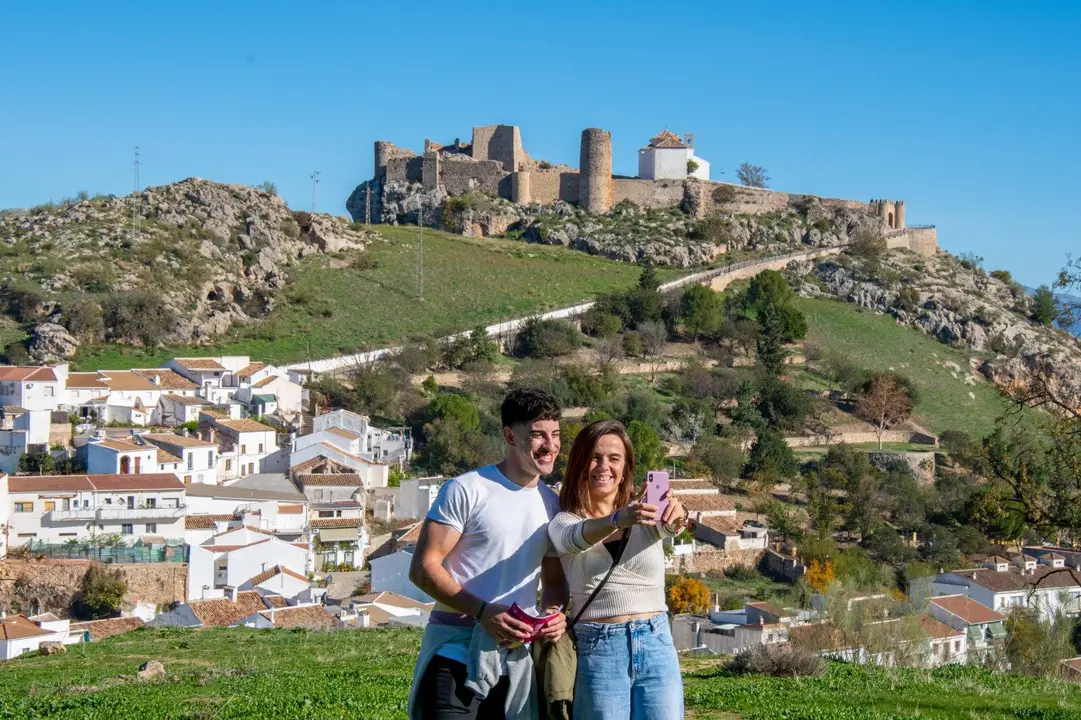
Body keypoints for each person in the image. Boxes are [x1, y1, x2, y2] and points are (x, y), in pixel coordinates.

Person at [407, 388, 569, 720]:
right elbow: (423, 568)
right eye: (538, 435)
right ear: (510, 435)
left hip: (516, 662)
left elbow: (554, 582)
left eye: (555, 435)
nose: (550, 445)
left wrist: (553, 613)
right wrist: (482, 612)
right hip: (456, 655)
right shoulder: (466, 489)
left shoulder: (553, 504)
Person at [548, 419, 688, 720]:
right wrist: (618, 519)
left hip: (656, 638)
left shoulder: (645, 514)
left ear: (625, 469)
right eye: (594, 457)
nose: (603, 466)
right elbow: (573, 540)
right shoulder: (564, 522)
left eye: (614, 459)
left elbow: (670, 526)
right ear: (580, 463)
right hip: (598, 644)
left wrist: (678, 514)